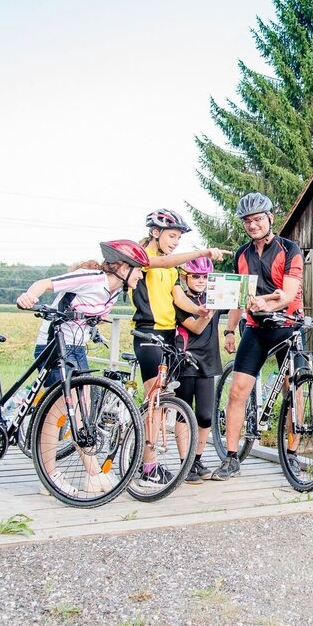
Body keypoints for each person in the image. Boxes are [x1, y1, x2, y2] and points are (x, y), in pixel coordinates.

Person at [15, 239, 151, 493]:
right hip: (54, 344)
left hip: (76, 348)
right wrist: (30, 295)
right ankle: (51, 476)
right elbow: (46, 283)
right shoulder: (89, 277)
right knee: (60, 413)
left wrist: (96, 320)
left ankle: (93, 475)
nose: (141, 277)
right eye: (139, 270)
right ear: (123, 268)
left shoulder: (113, 291)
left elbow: (88, 310)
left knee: (83, 411)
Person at [132, 208, 229, 487]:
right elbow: (164, 263)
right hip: (147, 333)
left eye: (178, 237)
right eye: (172, 236)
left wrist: (200, 311)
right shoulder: (144, 259)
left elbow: (179, 299)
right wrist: (201, 254)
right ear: (155, 232)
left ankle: (151, 462)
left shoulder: (172, 267)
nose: (175, 242)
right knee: (154, 403)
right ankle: (148, 467)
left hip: (166, 336)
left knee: (161, 404)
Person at [215, 192, 304, 481]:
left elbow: (288, 294)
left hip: (287, 325)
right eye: (247, 221)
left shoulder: (290, 249)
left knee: (294, 389)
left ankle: (292, 454)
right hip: (254, 327)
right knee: (238, 390)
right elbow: (236, 297)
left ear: (270, 219)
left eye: (257, 219)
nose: (252, 225)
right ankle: (231, 457)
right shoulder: (242, 254)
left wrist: (268, 302)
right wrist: (229, 329)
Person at [174, 256, 222, 483]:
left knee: (205, 415)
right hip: (187, 360)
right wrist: (206, 314)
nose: (201, 280)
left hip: (209, 360)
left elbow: (239, 305)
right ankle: (186, 463)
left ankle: (197, 459)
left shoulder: (213, 296)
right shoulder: (180, 300)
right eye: (196, 276)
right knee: (185, 413)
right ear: (185, 277)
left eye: (205, 276)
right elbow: (194, 327)